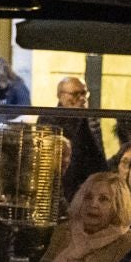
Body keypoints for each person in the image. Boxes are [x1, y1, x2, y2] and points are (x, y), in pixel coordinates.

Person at [38, 172, 131, 262]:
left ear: (118, 206)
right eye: (88, 197)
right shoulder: (64, 230)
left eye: (103, 199)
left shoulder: (128, 242)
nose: (93, 204)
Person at [54, 76, 107, 204]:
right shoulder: (50, 118)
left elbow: (98, 155)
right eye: (75, 94)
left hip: (87, 182)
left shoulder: (92, 120)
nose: (82, 98)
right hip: (62, 184)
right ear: (61, 96)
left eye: (84, 93)